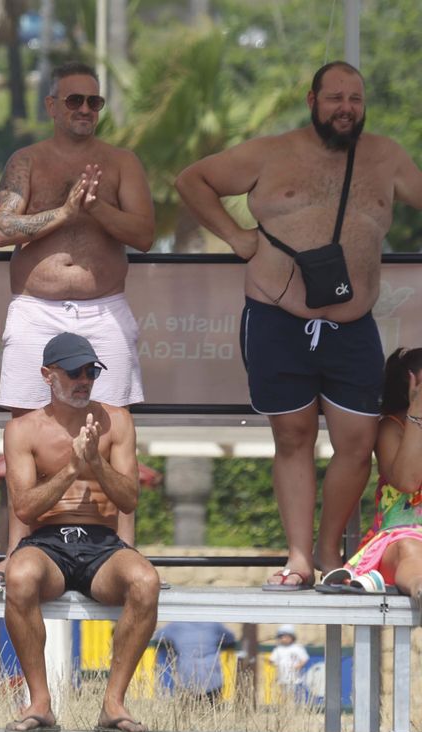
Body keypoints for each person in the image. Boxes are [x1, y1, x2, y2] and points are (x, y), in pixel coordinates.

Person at [176, 61, 422, 590]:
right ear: (312, 100)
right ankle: (296, 555)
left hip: (353, 322)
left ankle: (329, 549)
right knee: (293, 436)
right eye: (335, 97)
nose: (346, 108)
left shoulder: (388, 158)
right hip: (276, 313)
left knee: (356, 441)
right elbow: (192, 180)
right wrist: (237, 237)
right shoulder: (270, 152)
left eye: (355, 98)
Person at [0, 61, 155, 572]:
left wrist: (94, 209)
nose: (85, 110)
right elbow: (1, 228)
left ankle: (124, 551)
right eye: (75, 100)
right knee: (25, 419)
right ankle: (19, 551)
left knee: (117, 418)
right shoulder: (27, 160)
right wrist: (62, 213)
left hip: (103, 308)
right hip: (37, 308)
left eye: (94, 102)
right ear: (52, 106)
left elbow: (144, 233)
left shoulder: (121, 162)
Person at [2, 332, 160, 732]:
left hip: (101, 544)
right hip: (47, 543)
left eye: (91, 371)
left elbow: (129, 500)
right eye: (74, 372)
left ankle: (113, 703)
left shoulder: (116, 421)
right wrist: (71, 470)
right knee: (18, 577)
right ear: (47, 375)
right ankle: (40, 702)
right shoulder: (23, 429)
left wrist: (95, 463)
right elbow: (24, 507)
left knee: (145, 581)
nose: (84, 379)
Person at [324, 348, 422, 599]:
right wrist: (417, 415)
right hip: (401, 541)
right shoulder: (392, 427)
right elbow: (407, 481)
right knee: (409, 549)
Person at [152, 621, 237, 704]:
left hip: (187, 680)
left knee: (188, 714)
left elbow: (158, 636)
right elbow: (230, 638)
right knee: (212, 713)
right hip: (212, 680)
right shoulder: (214, 625)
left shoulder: (176, 625)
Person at [268, 624, 310, 703]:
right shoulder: (278, 649)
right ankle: (286, 711)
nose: (284, 639)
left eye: (286, 636)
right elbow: (272, 660)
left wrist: (298, 666)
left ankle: (293, 710)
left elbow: (305, 659)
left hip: (294, 678)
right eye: (282, 637)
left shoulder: (297, 648)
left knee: (293, 697)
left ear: (292, 637)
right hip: (282, 678)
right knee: (284, 697)